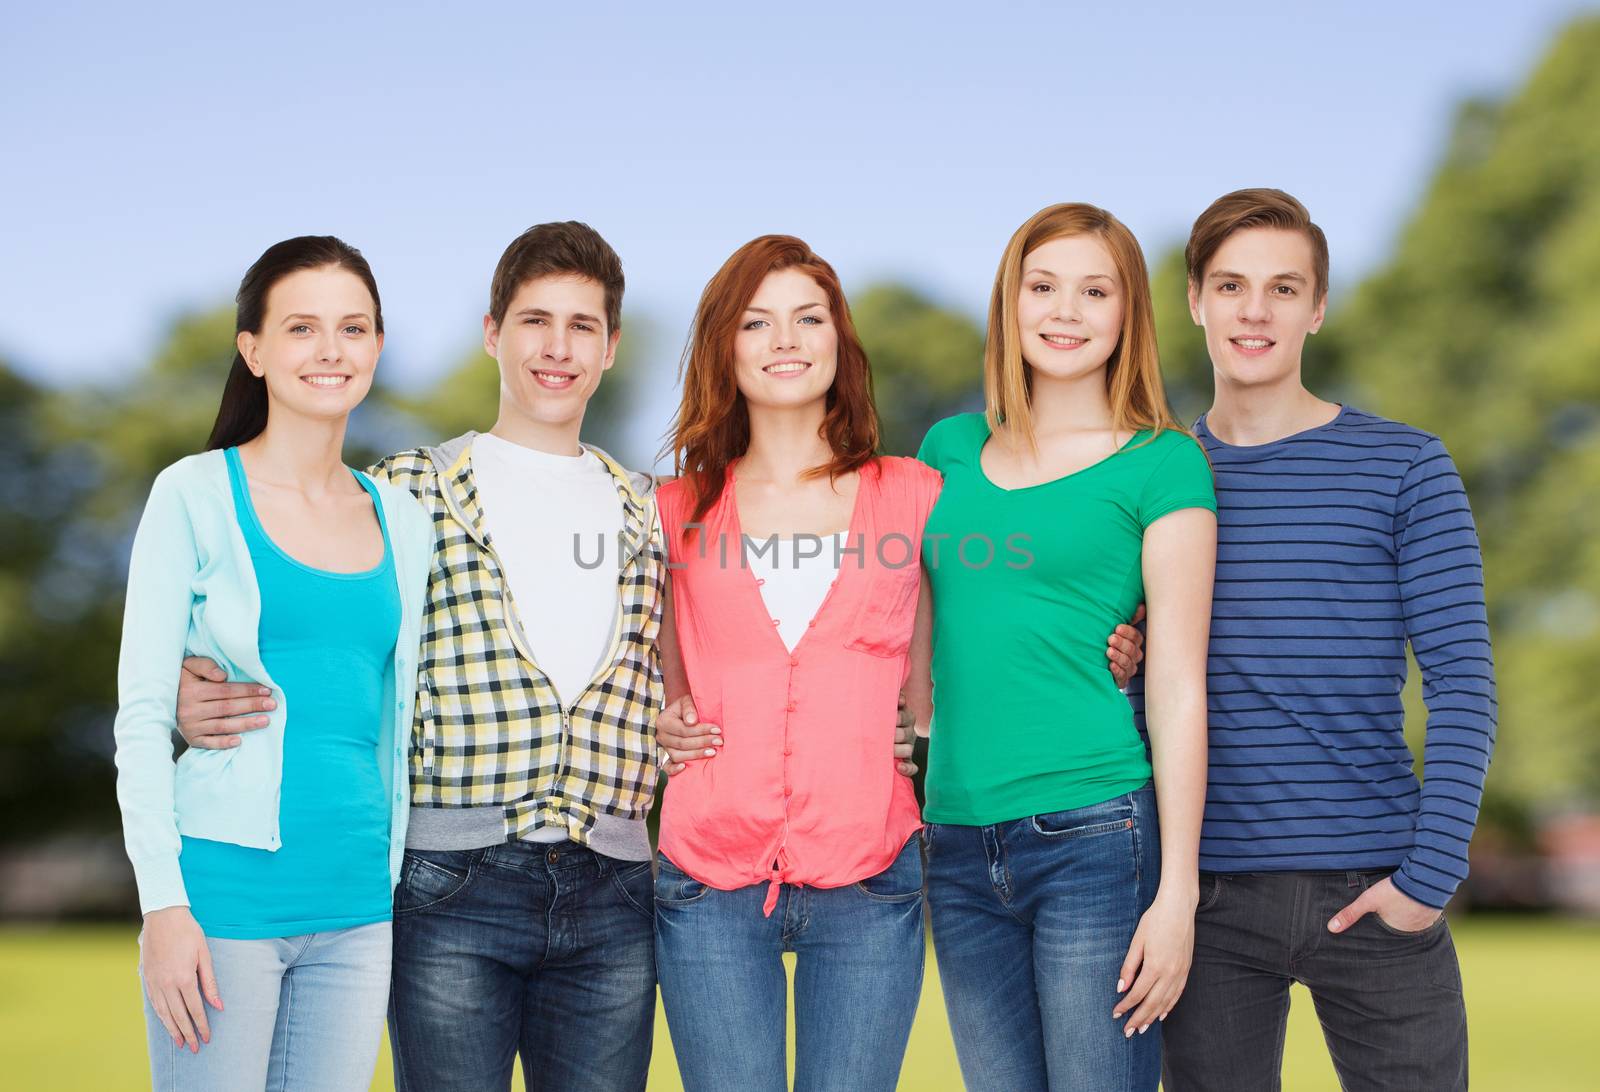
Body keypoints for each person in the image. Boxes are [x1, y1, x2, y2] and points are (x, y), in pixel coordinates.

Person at [172, 222, 924, 1092]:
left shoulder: (655, 508)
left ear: (611, 349)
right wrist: (198, 683)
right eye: (535, 321)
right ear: (493, 333)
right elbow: (318, 624)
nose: (557, 348)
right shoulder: (406, 492)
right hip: (451, 883)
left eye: (583, 326)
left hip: (612, 890)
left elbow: (718, 660)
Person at [1138, 188, 1496, 1092]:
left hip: (1375, 890)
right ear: (1194, 300)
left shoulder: (1407, 466)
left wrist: (1428, 879)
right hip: (1204, 901)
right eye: (1230, 285)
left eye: (1283, 288)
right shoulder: (1152, 480)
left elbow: (1461, 682)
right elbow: (1137, 680)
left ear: (1318, 306)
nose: (1254, 311)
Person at [113, 236, 434, 1090]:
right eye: (301, 328)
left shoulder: (403, 519)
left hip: (361, 906)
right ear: (253, 350)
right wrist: (163, 909)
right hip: (224, 902)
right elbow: (141, 714)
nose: (330, 350)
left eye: (354, 328)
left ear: (376, 346)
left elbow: (390, 710)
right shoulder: (193, 494)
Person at [910, 203, 1216, 1091]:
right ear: (1010, 303)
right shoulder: (948, 451)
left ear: (1129, 315)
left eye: (1095, 290)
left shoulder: (1163, 462)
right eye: (1042, 287)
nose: (1065, 311)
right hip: (956, 842)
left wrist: (1177, 894)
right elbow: (907, 634)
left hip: (1095, 832)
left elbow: (1178, 684)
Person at [651, 235, 939, 1091]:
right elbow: (641, 664)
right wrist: (661, 717)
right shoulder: (673, 509)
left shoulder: (914, 494)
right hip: (706, 878)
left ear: (839, 342)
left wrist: (1126, 629)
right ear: (724, 350)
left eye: (808, 318)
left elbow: (998, 628)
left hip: (871, 873)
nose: (786, 339)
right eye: (757, 322)